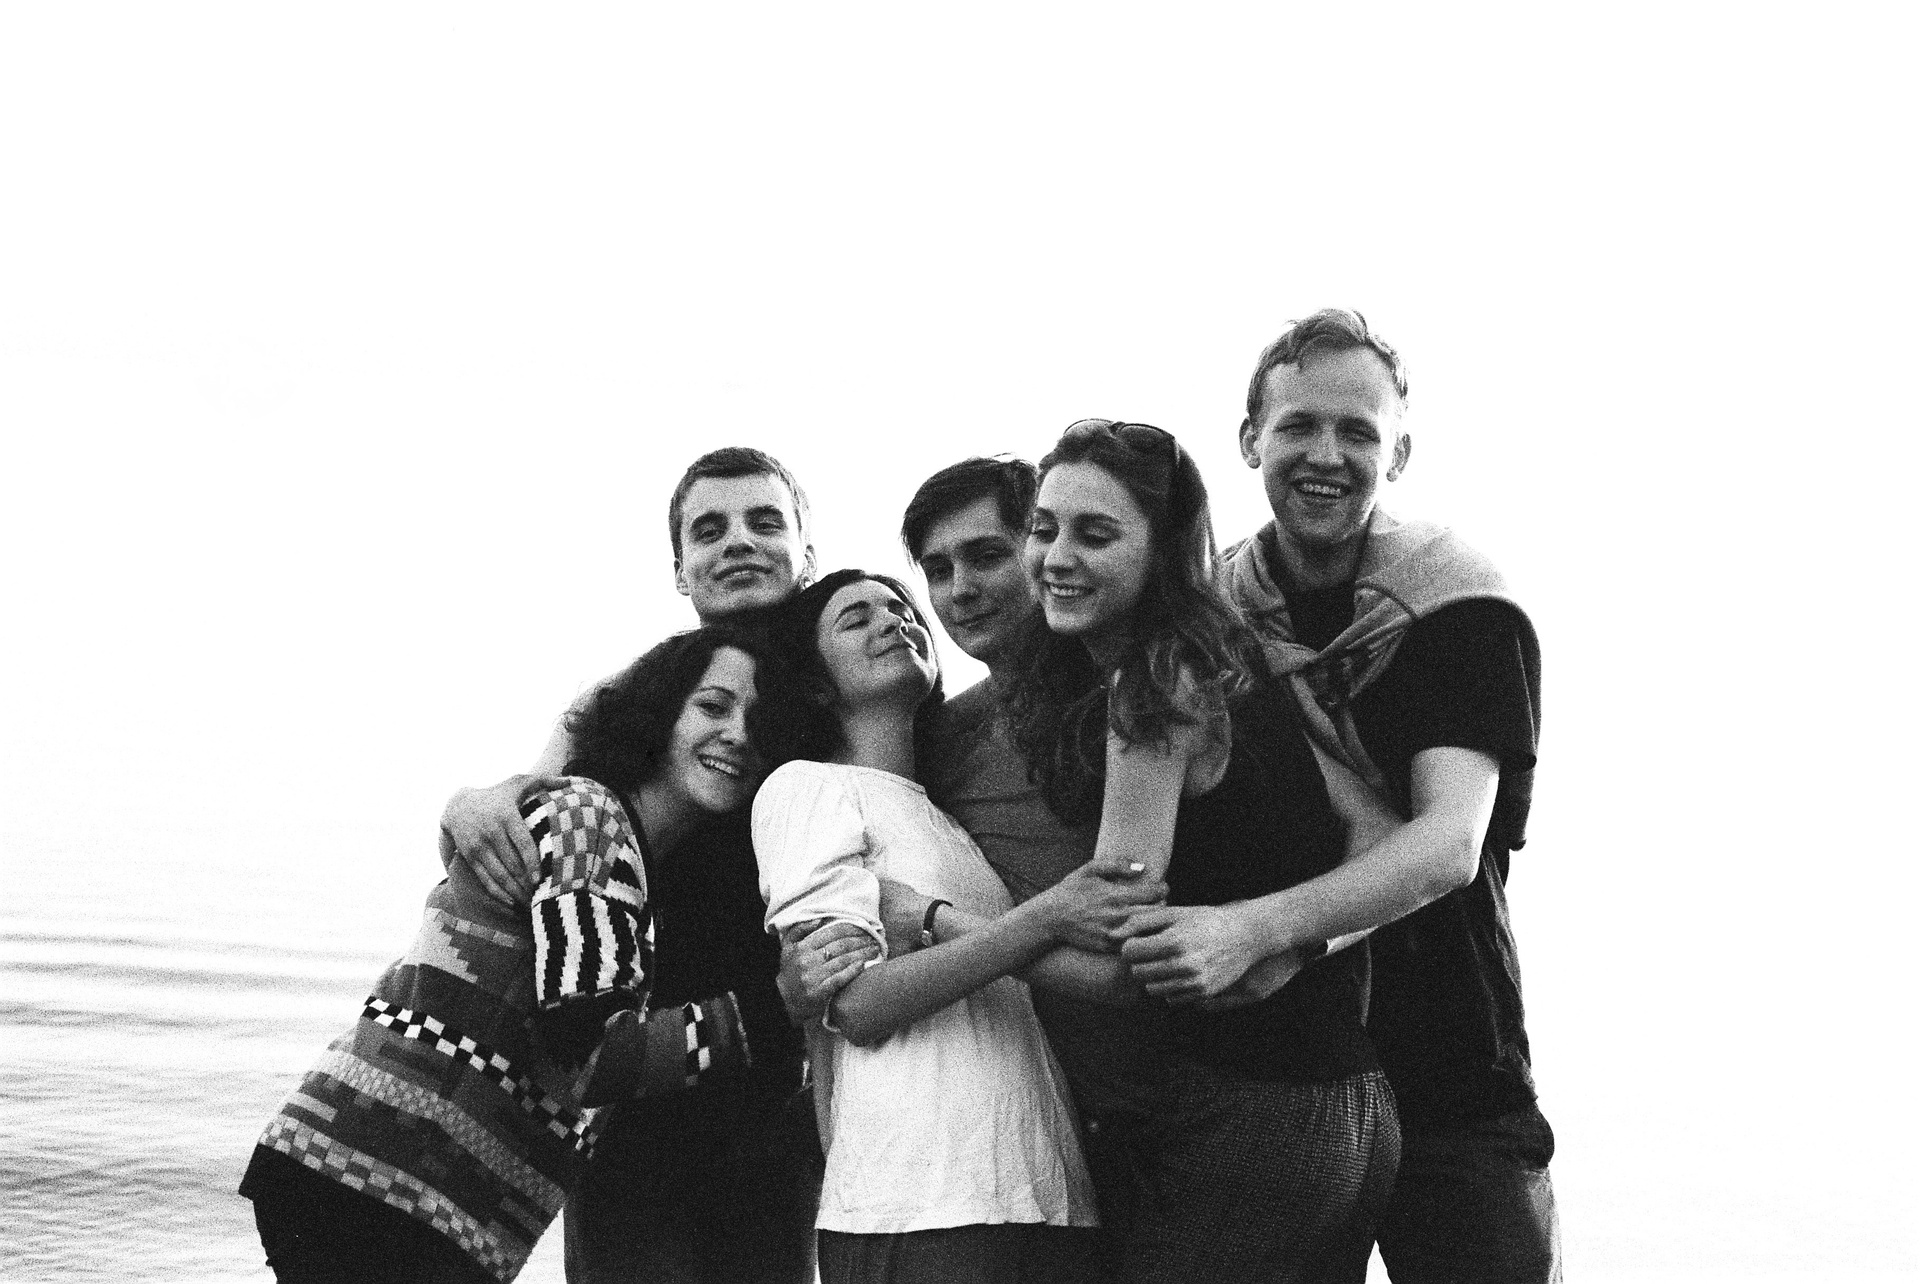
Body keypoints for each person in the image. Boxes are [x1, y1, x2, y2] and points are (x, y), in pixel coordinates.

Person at [240, 626, 807, 1284]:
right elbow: (590, 1058)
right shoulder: (592, 822)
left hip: (377, 1180)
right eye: (712, 706)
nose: (738, 734)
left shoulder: (610, 841)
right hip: (384, 1188)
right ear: (656, 716)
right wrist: (777, 1004)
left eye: (759, 720)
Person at [1000, 419, 1401, 1283]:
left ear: (1162, 553)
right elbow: (1373, 829)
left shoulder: (1152, 689)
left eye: (1096, 534)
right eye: (1044, 528)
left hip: (1257, 1115)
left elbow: (1120, 967)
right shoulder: (1227, 661)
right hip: (1352, 1108)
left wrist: (944, 932)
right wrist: (1288, 939)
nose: (1057, 557)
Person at [435, 446, 835, 1284]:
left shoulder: (836, 701)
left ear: (808, 552)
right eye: (709, 530)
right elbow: (527, 827)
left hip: (776, 1108)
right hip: (627, 1104)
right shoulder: (627, 702)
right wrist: (469, 806)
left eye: (765, 522)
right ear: (680, 570)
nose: (738, 542)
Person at [1217, 310, 1560, 1282]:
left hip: (1450, 1062)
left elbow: (1448, 845)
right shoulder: (1213, 613)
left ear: (1397, 454)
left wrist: (1255, 934)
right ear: (1251, 439)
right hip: (1278, 1076)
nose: (1326, 455)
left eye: (1358, 432)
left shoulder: (1458, 606)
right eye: (1299, 426)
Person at [753, 568, 1154, 1284]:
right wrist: (1044, 916)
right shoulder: (807, 786)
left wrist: (942, 921)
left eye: (901, 608)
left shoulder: (947, 820)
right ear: (814, 684)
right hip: (919, 1203)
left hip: (1050, 1194)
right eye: (856, 619)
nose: (893, 620)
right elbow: (855, 1005)